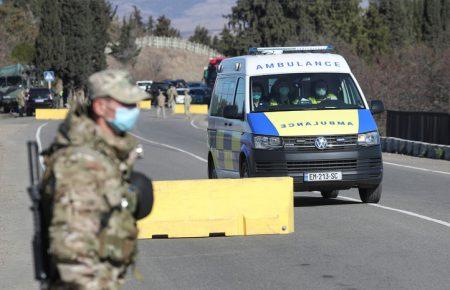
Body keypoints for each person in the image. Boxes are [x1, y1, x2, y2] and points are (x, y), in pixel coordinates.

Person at [40, 70, 147, 290]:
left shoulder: (105, 153)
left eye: (134, 105)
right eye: (126, 105)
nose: (133, 111)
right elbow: (74, 253)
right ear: (100, 107)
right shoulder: (82, 163)